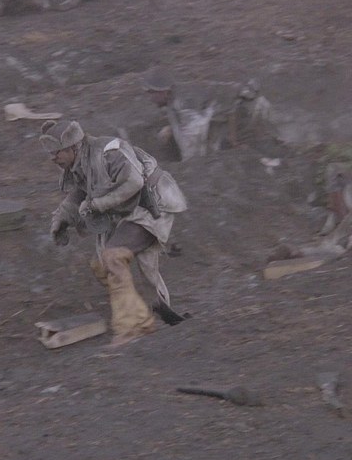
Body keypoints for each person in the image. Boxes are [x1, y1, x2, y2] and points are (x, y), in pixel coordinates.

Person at [40, 120, 188, 345]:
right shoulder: (80, 162)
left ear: (73, 147)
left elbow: (135, 182)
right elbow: (80, 192)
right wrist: (62, 216)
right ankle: (144, 309)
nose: (53, 158)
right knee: (102, 264)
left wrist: (97, 204)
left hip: (152, 205)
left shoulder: (109, 152)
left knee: (114, 256)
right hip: (127, 209)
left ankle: (134, 325)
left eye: (57, 152)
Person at [141, 67, 269, 160]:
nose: (150, 98)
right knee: (211, 148)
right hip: (224, 110)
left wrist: (233, 140)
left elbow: (193, 150)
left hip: (248, 106)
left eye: (152, 93)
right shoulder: (174, 99)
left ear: (164, 92)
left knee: (209, 152)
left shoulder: (186, 104)